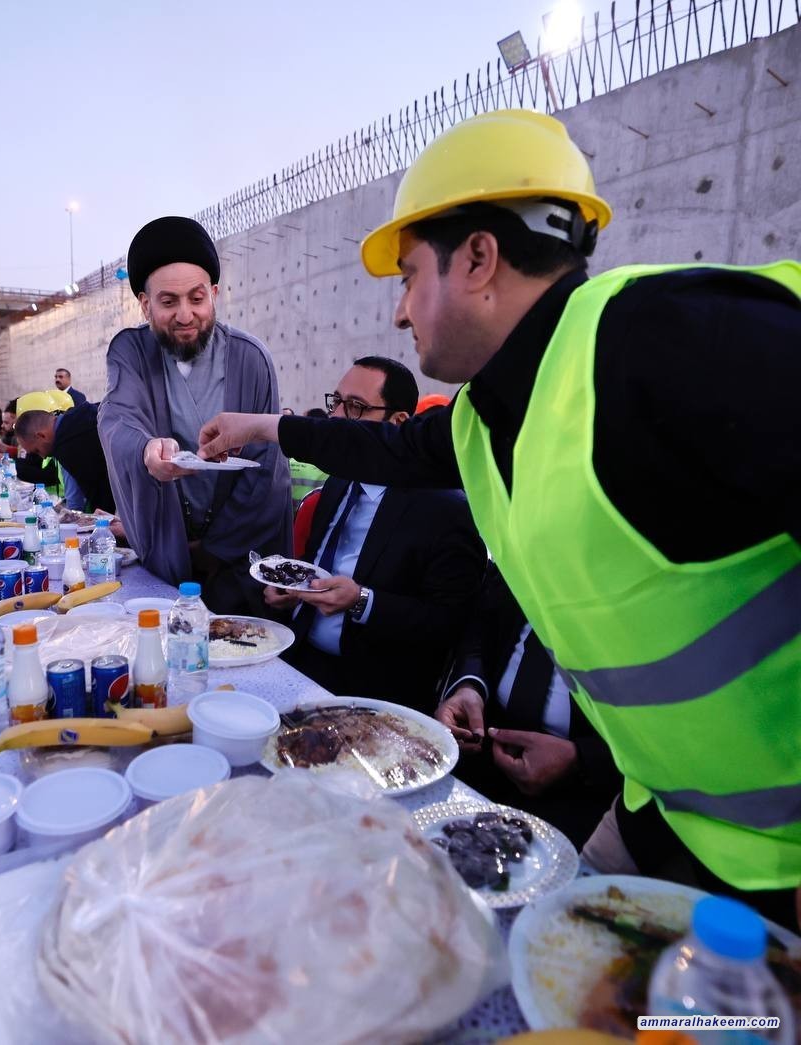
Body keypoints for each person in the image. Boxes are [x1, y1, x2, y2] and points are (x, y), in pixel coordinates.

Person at [198, 109, 801, 927]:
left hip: (777, 866)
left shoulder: (665, 339)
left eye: (409, 276)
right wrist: (261, 427)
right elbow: (380, 448)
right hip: (662, 814)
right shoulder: (489, 416)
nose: (400, 312)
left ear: (479, 259)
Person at [266, 357, 485, 713]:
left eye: (355, 407)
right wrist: (293, 590)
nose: (337, 417)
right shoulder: (338, 481)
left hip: (374, 694)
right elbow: (319, 563)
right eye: (336, 402)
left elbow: (449, 622)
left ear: (398, 423)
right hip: (297, 662)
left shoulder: (446, 508)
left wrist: (362, 601)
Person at [97, 215, 291, 612]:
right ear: (145, 304)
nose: (185, 315)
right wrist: (147, 450)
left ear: (214, 294)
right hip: (167, 549)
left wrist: (213, 549)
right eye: (168, 302)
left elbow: (265, 470)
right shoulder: (131, 351)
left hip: (236, 557)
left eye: (197, 299)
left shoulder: (250, 359)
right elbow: (118, 416)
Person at [436, 563, 621, 847]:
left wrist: (582, 759)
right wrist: (469, 686)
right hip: (483, 741)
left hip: (587, 794)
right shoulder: (523, 546)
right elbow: (482, 625)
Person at [14, 405, 115, 513]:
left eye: (37, 451)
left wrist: (103, 520)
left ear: (42, 435)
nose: (43, 457)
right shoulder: (78, 415)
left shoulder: (67, 444)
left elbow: (100, 492)